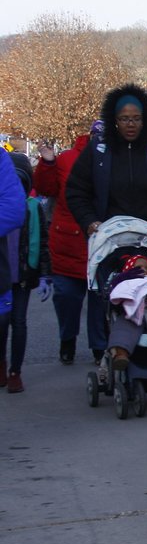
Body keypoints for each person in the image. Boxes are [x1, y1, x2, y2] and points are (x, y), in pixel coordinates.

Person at [65, 83, 147, 252]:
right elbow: (76, 190)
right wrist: (90, 221)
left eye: (136, 118)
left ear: (144, 119)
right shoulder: (98, 148)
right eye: (124, 119)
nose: (130, 124)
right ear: (114, 120)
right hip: (108, 241)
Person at [34, 123, 108, 365]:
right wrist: (47, 164)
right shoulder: (67, 159)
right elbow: (46, 189)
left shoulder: (118, 159)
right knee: (66, 296)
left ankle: (100, 347)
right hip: (68, 239)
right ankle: (68, 338)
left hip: (103, 240)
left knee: (100, 300)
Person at [0, 153, 51, 393]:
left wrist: (44, 274)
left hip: (21, 276)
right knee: (2, 323)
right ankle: (1, 364)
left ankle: (15, 371)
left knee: (18, 322)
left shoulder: (33, 209)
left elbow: (42, 243)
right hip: (3, 274)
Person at [0, 148, 28, 389]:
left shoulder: (0, 159)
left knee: (15, 322)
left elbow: (13, 210)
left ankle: (12, 369)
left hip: (12, 276)